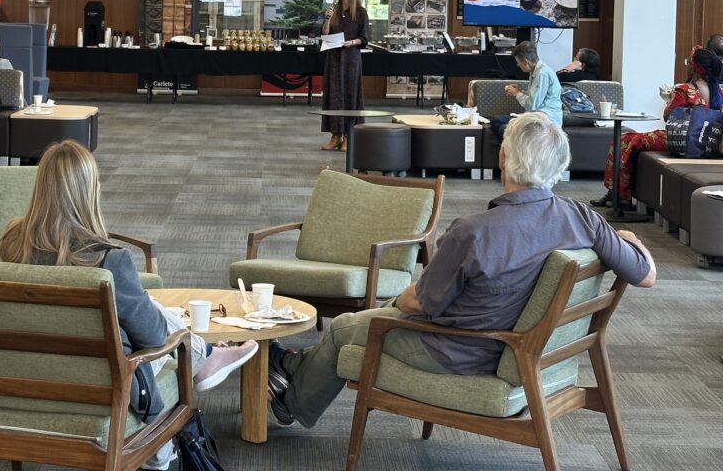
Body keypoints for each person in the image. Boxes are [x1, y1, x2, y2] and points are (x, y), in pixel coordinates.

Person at [266, 112, 656, 429]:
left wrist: (397, 303)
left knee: (343, 328)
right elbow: (647, 275)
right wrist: (629, 239)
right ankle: (292, 365)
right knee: (376, 315)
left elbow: (418, 301)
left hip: (456, 349)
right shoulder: (583, 218)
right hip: (526, 350)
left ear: (503, 159)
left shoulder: (474, 232)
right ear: (560, 163)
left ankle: (290, 400)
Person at [0, 140, 258, 470]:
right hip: (100, 388)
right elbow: (152, 339)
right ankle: (202, 358)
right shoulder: (107, 260)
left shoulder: (9, 246)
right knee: (154, 330)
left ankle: (204, 358)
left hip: (22, 380)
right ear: (90, 191)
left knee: (136, 310)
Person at [592, 45, 723, 208]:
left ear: (695, 67)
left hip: (682, 141)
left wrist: (669, 98)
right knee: (631, 142)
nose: (687, 65)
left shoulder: (685, 90)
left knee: (624, 139)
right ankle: (618, 193)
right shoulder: (721, 93)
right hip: (704, 145)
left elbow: (668, 117)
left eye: (689, 63)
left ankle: (618, 195)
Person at [320, 0, 370, 152]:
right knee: (333, 95)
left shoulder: (360, 13)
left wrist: (352, 42)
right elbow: (325, 33)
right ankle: (335, 135)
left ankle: (349, 136)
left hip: (351, 59)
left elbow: (365, 38)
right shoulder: (333, 10)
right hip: (333, 58)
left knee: (350, 95)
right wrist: (327, 19)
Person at [489, 40, 563, 139]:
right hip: (536, 117)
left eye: (518, 62)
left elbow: (532, 105)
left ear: (525, 61)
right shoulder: (536, 71)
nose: (517, 65)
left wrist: (517, 94)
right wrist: (520, 91)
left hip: (546, 122)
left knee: (503, 128)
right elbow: (535, 98)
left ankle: (515, 149)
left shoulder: (542, 74)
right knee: (496, 120)